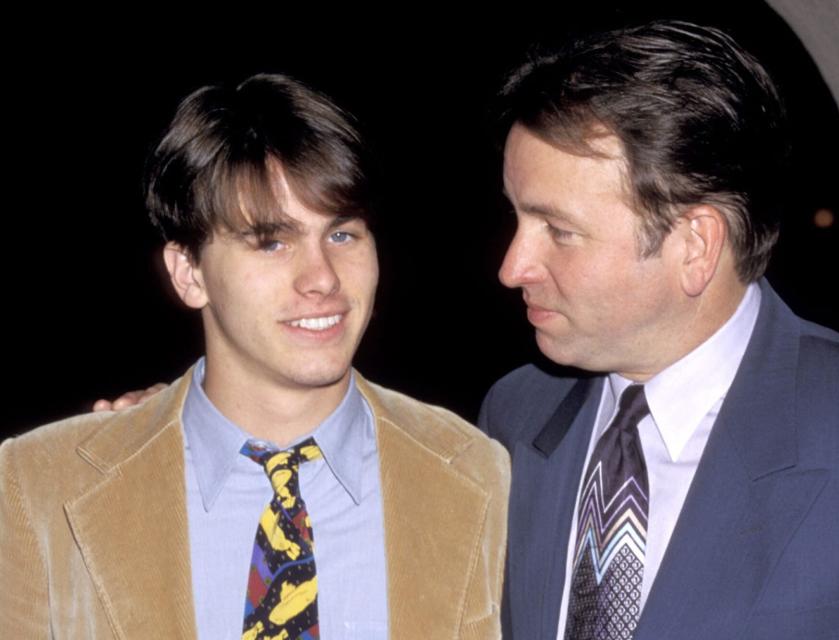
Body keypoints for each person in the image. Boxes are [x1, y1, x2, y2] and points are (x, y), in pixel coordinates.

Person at [479, 20, 839, 640]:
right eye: (518, 217)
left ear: (696, 246)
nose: (513, 266)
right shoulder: (514, 416)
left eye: (559, 231)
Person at [0, 74, 509, 639]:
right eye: (271, 241)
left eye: (342, 235)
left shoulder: (481, 472)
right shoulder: (37, 484)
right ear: (189, 273)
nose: (322, 279)